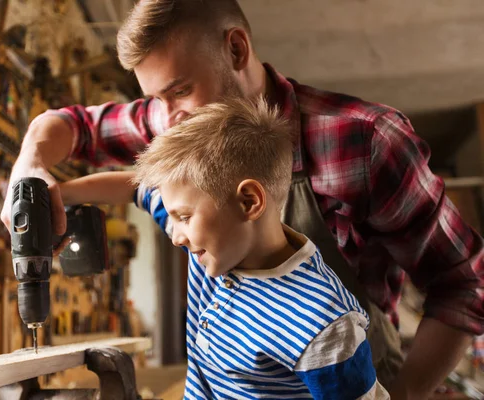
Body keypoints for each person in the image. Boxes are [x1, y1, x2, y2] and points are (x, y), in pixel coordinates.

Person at [1, 1, 484, 398]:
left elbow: (463, 285)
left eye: (179, 91)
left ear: (235, 49)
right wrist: (31, 171)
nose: (166, 120)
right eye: (154, 100)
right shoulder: (177, 122)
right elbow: (73, 127)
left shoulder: (366, 141)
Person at [59, 97, 390, 399]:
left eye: (184, 217)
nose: (175, 235)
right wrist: (57, 196)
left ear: (248, 202)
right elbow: (134, 189)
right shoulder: (215, 246)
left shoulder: (322, 324)